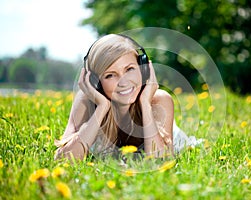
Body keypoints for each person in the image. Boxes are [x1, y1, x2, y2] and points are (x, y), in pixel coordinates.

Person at [54, 34, 201, 161]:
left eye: (130, 69)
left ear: (143, 69)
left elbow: (159, 160)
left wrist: (145, 104)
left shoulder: (159, 100)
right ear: (95, 82)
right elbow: (65, 159)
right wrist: (102, 107)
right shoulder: (86, 101)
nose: (123, 82)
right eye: (110, 75)